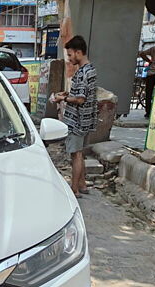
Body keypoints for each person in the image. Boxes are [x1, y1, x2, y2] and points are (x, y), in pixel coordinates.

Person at [53, 35, 97, 198]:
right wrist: (68, 94)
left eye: (70, 55)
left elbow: (80, 99)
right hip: (86, 120)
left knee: (76, 154)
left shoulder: (83, 73)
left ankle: (74, 189)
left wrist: (62, 98)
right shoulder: (90, 70)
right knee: (80, 153)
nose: (70, 58)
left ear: (79, 53)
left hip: (77, 121)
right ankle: (82, 184)